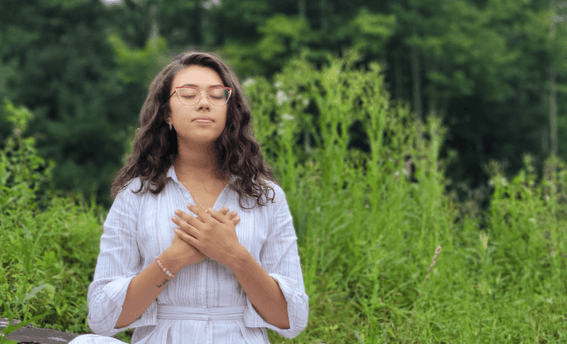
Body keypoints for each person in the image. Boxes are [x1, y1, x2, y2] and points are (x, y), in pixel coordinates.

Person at [69, 52, 309, 344]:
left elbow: (291, 320)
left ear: (229, 109)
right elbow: (102, 318)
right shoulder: (135, 195)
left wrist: (233, 255)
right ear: (167, 112)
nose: (204, 102)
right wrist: (174, 258)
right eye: (188, 94)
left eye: (217, 94)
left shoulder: (266, 197)